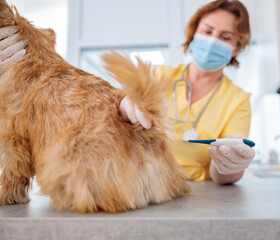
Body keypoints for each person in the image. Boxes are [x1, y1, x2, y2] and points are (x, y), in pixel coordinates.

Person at [0, 0, 255, 184]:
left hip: (196, 193)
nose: (212, 41)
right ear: (194, 33)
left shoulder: (238, 101)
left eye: (225, 37)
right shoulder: (157, 76)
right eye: (207, 31)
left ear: (236, 47)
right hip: (133, 179)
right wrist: (122, 104)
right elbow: (103, 108)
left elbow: (220, 175)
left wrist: (231, 163)